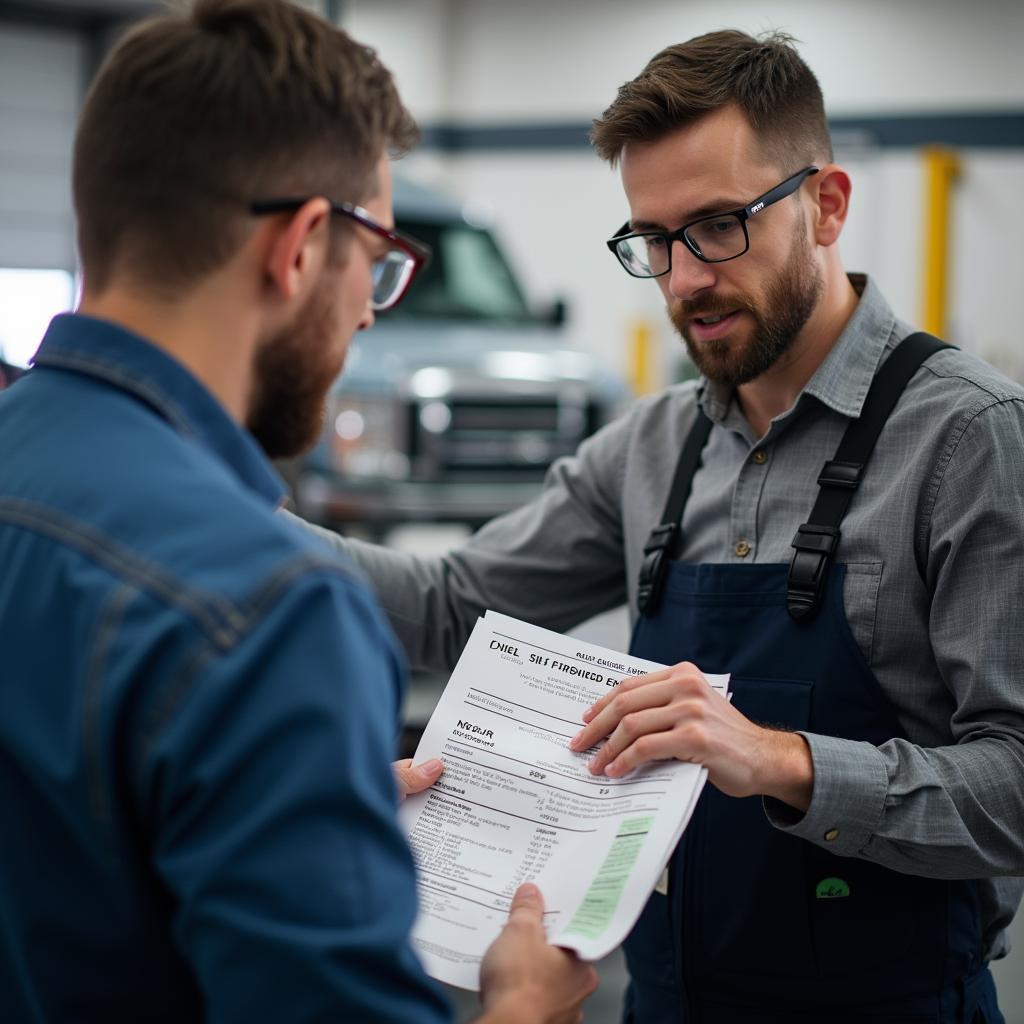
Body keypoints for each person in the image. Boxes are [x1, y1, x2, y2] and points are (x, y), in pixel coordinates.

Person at [302, 28, 1024, 1024]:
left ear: (826, 204)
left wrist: (782, 760)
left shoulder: (967, 438)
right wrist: (229, 517)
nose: (683, 279)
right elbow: (451, 603)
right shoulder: (653, 447)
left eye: (719, 224)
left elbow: (1015, 782)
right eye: (655, 239)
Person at [0, 2, 597, 1021]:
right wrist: (522, 1008)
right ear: (302, 244)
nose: (370, 305)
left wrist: (286, 794)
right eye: (378, 260)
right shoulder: (270, 605)